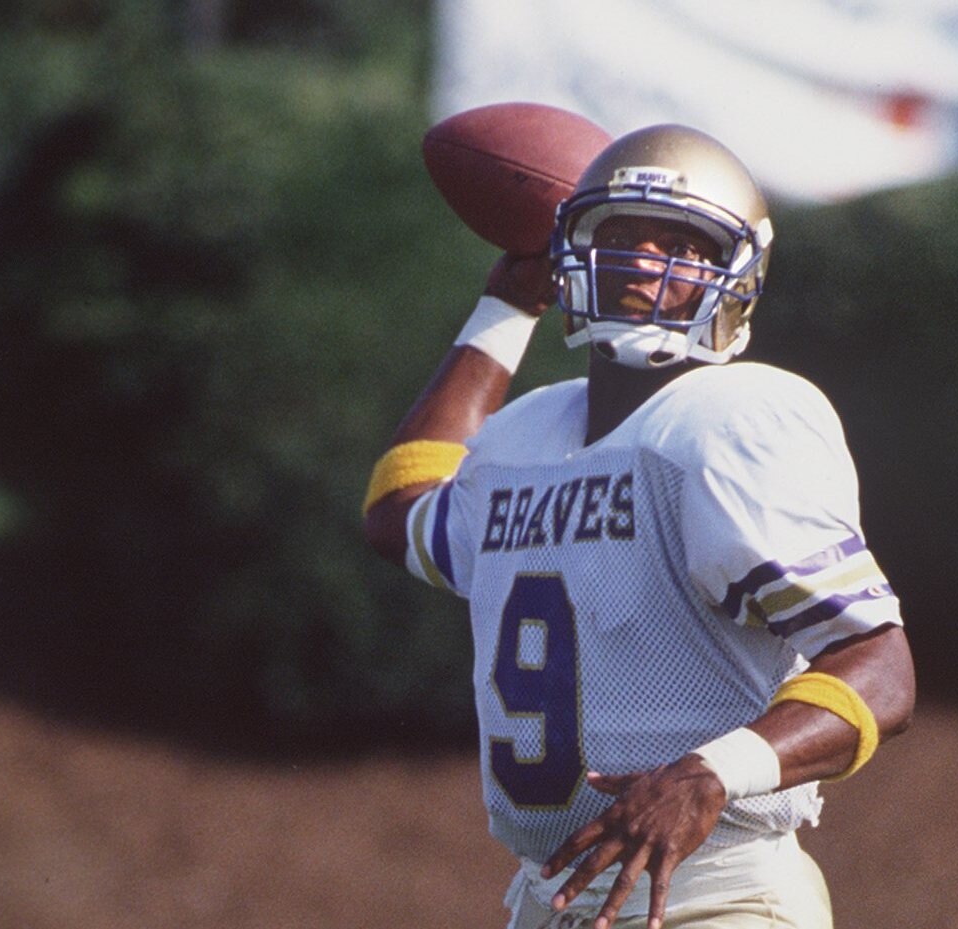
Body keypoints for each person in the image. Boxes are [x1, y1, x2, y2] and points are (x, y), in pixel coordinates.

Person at [363, 123, 916, 929]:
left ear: (734, 273)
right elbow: (399, 509)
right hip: (551, 897)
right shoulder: (523, 436)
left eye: (682, 246)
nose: (645, 264)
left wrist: (711, 773)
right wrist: (507, 302)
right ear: (573, 251)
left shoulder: (733, 419)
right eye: (621, 237)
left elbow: (880, 668)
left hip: (713, 893)